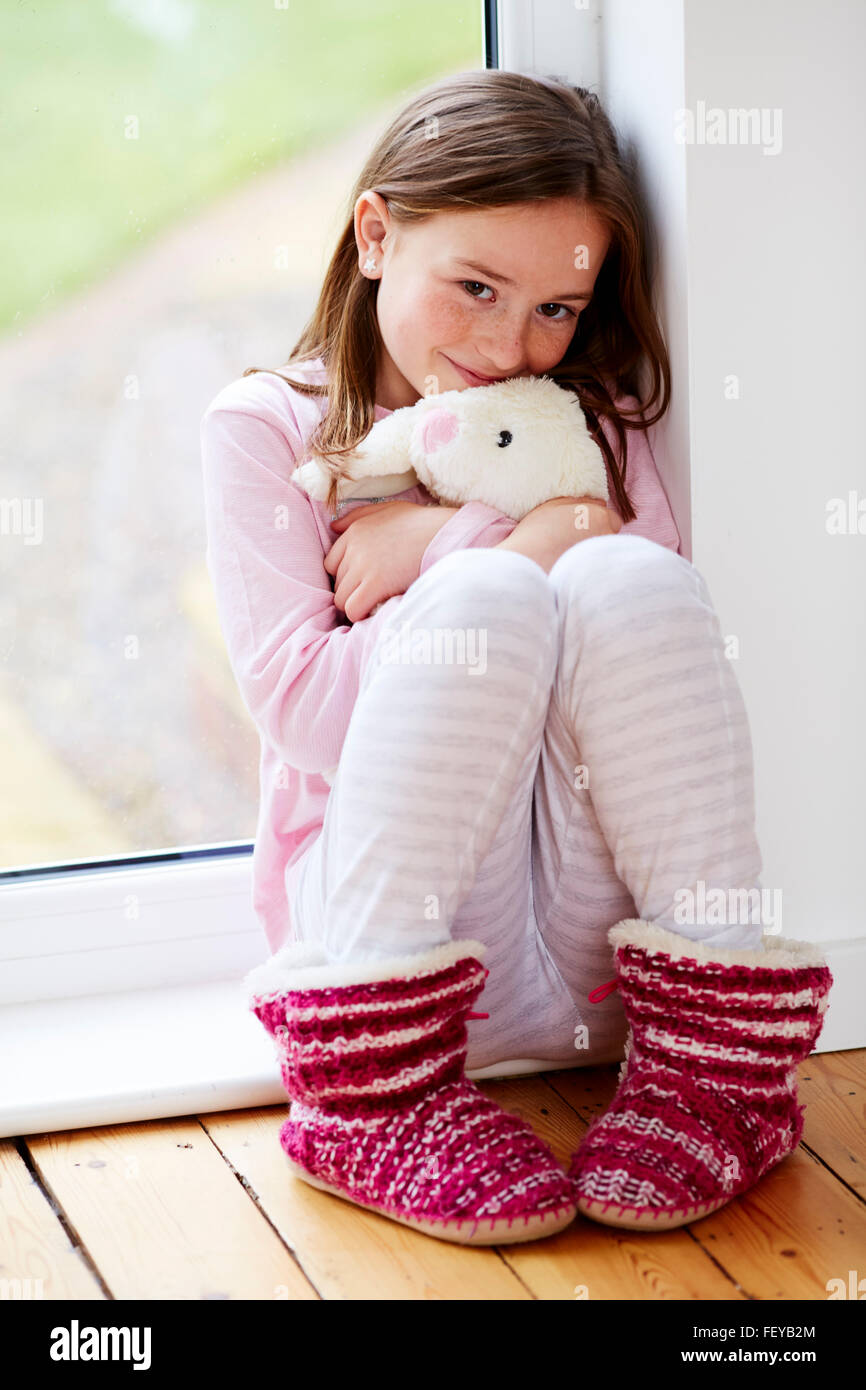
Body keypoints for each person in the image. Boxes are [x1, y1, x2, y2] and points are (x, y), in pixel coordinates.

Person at [201, 70, 832, 1247]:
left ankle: (724, 1069)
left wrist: (452, 534)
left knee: (631, 578)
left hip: (623, 986)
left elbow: (642, 650)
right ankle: (374, 1108)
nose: (508, 346)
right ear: (377, 234)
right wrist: (506, 541)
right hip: (400, 979)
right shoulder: (270, 430)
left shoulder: (583, 417)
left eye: (554, 309)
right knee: (498, 595)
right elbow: (309, 717)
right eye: (477, 288)